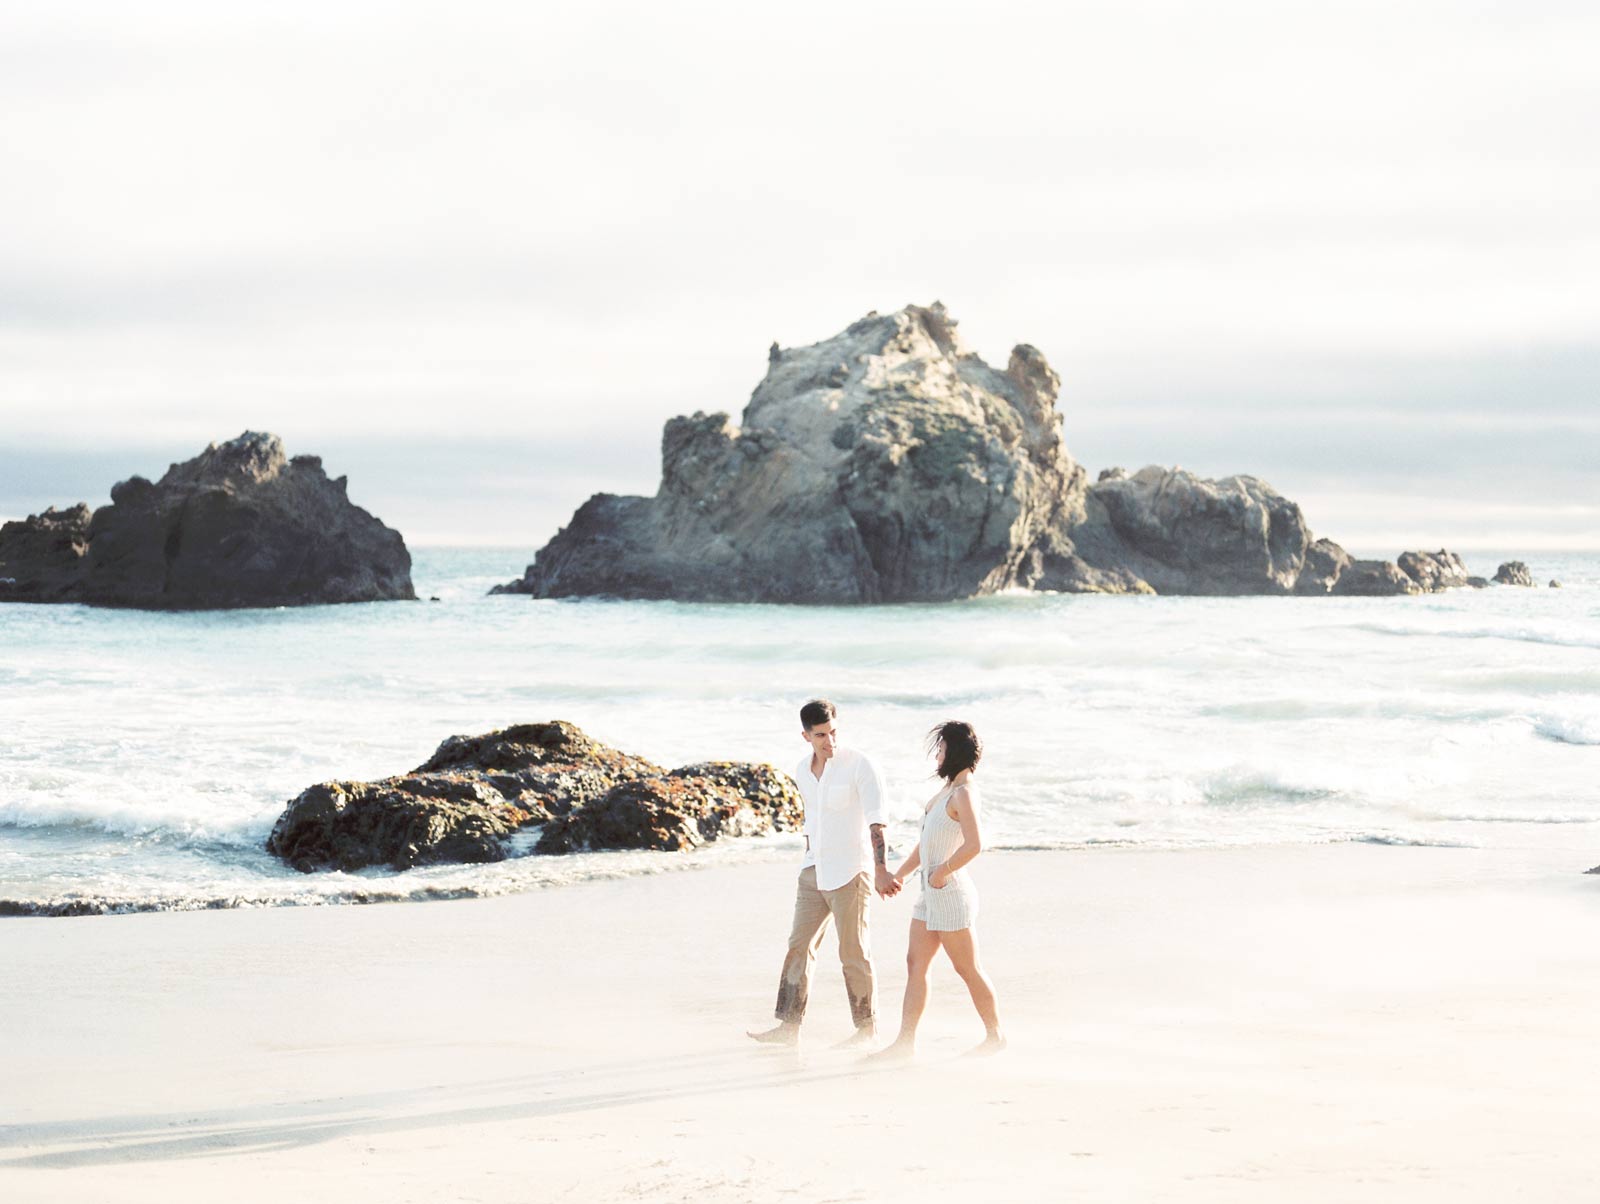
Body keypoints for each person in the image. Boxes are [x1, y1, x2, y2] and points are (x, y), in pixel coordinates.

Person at [748, 699, 899, 1048]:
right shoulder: (802, 770)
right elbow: (811, 820)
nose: (829, 741)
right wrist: (807, 857)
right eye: (820, 735)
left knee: (854, 953)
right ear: (805, 736)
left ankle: (866, 1029)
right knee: (798, 947)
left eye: (833, 732)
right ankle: (788, 1028)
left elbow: (877, 822)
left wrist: (880, 870)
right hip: (813, 871)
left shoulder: (861, 765)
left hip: (851, 872)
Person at [871, 720, 1004, 1059]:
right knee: (915, 964)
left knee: (967, 968)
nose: (937, 758)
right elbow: (926, 843)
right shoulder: (945, 792)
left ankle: (996, 1037)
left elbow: (975, 844)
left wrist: (942, 872)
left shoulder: (964, 794)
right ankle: (905, 1043)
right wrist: (899, 874)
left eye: (941, 750)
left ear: (955, 753)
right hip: (928, 894)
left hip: (950, 892)